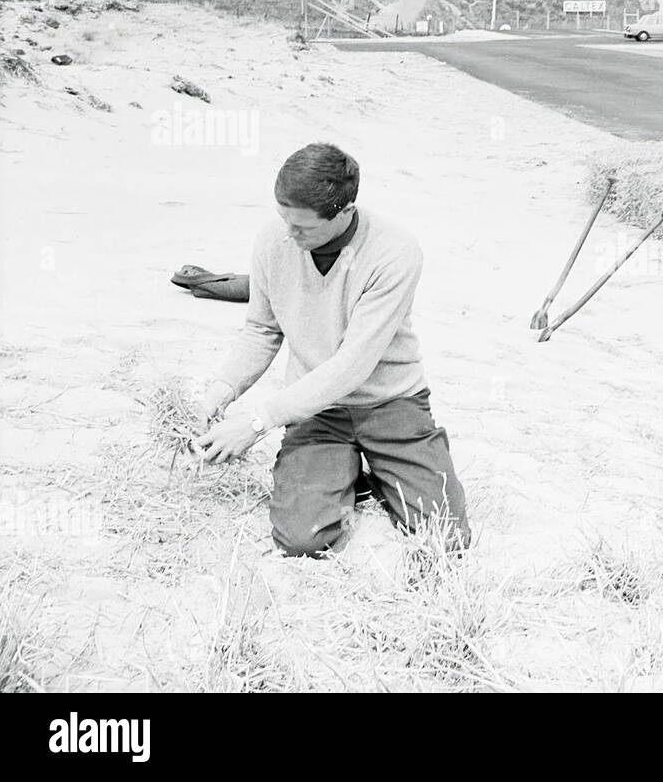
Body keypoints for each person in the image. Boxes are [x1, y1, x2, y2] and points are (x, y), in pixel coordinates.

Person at [193, 143, 471, 556]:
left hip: (391, 404)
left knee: (445, 538)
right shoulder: (274, 240)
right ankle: (345, 472)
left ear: (345, 211)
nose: (288, 234)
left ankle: (384, 467)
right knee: (303, 540)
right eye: (283, 218)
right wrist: (219, 392)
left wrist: (255, 423)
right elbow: (261, 331)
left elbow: (351, 366)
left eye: (301, 227)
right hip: (317, 411)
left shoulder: (395, 251)